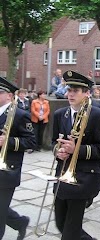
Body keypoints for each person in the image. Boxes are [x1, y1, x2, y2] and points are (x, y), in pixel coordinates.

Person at [52, 70, 100, 240]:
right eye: (69, 90)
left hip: (84, 178)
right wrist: (59, 152)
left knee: (70, 231)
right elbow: (53, 143)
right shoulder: (59, 114)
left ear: (87, 93)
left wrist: (77, 149)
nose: (70, 94)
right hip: (62, 175)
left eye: (76, 91)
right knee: (61, 224)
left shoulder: (98, 115)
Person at [0, 77, 36, 240]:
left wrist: (8, 141)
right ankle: (20, 222)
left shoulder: (20, 114)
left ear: (9, 96)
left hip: (7, 169)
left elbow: (31, 141)